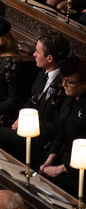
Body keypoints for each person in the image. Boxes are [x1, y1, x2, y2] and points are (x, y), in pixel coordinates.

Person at [0, 34, 67, 164]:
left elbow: (57, 125)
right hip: (25, 129)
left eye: (37, 52)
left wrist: (26, 125)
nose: (34, 55)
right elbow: (31, 100)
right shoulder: (42, 74)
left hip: (39, 139)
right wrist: (20, 118)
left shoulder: (64, 85)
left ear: (49, 58)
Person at [39, 56, 86, 196]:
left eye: (70, 82)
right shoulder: (70, 97)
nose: (64, 85)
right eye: (63, 80)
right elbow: (59, 133)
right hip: (61, 157)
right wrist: (49, 160)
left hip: (78, 169)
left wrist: (60, 169)